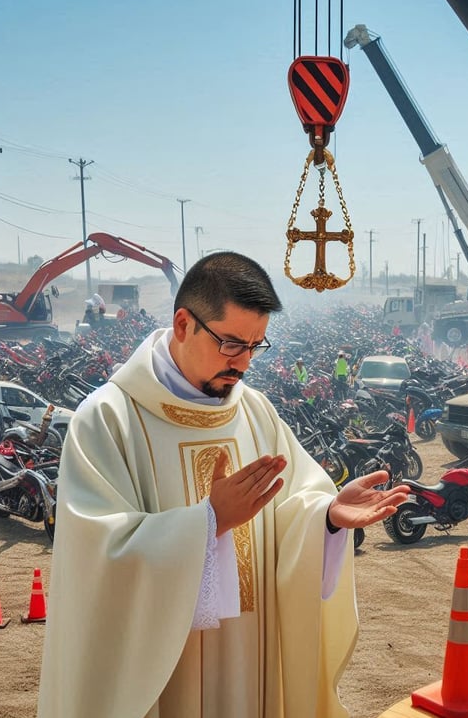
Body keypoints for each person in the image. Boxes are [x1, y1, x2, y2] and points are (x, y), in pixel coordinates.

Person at [37, 251, 410, 718]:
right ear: (182, 324)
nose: (244, 363)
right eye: (231, 343)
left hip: (252, 658)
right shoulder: (110, 419)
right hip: (164, 671)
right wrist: (208, 522)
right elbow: (96, 557)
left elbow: (293, 504)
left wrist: (327, 517)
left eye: (256, 346)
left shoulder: (255, 412)